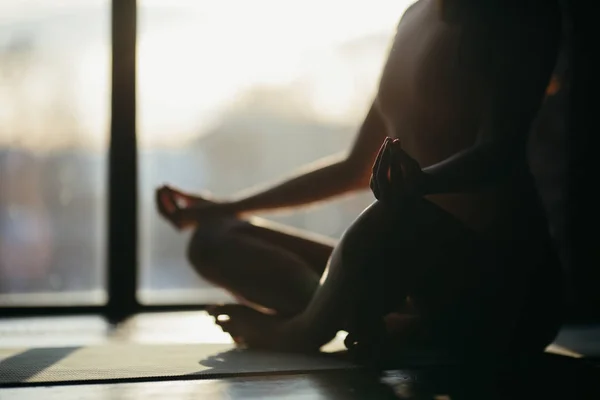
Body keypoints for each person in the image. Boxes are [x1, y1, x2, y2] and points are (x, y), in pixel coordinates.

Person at [157, 0, 564, 362]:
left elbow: (501, 151)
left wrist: (419, 185)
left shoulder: (518, 14)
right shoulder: (413, 17)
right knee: (214, 237)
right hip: (401, 270)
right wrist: (226, 206)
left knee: (391, 221)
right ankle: (373, 318)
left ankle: (300, 331)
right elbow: (355, 167)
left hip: (501, 292)